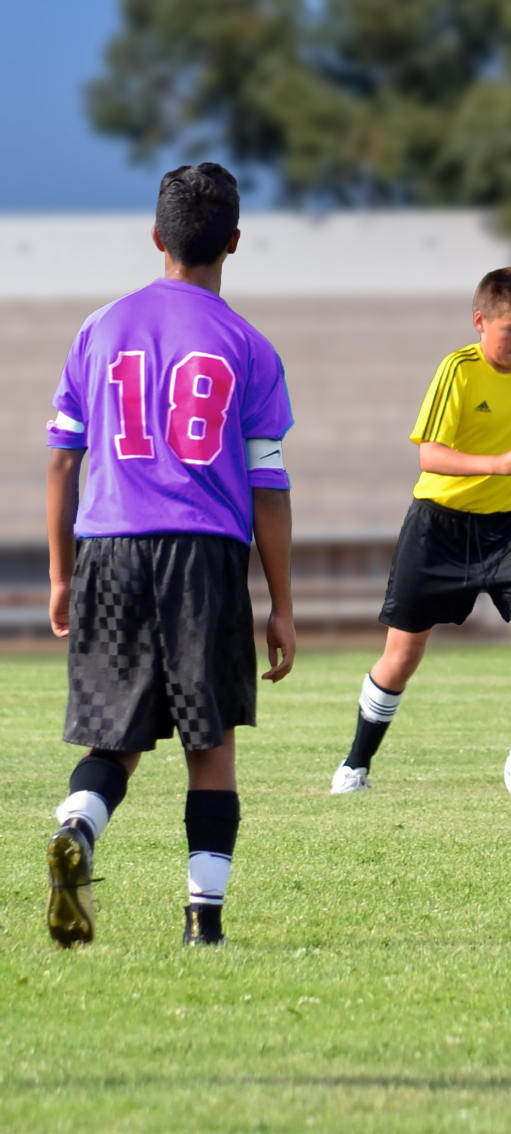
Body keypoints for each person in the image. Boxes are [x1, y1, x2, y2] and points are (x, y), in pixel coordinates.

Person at [45, 162, 295, 947]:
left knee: (113, 741)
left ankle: (79, 833)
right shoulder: (249, 347)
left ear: (157, 238)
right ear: (235, 242)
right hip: (204, 553)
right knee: (209, 747)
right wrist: (281, 604)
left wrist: (60, 572)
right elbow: (269, 484)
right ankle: (202, 922)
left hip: (109, 548)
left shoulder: (99, 328)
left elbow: (62, 458)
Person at [329, 266, 511, 795]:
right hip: (436, 530)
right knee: (401, 659)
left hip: (503, 529)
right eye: (510, 330)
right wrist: (497, 464)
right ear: (480, 321)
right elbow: (430, 453)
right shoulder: (458, 370)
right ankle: (355, 764)